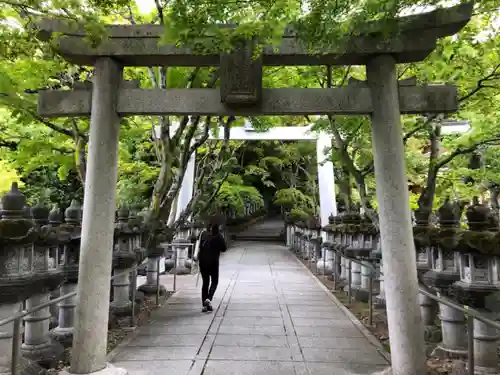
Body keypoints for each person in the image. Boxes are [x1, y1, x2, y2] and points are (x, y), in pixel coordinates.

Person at [196, 222, 227, 312]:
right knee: (214, 281)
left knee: (205, 282)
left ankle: (205, 305)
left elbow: (198, 246)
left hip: (203, 262)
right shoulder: (219, 236)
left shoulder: (203, 234)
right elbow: (224, 249)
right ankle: (209, 298)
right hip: (214, 262)